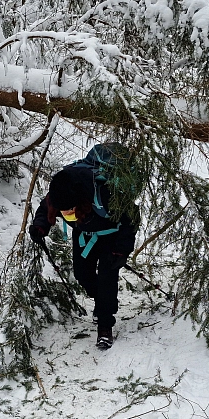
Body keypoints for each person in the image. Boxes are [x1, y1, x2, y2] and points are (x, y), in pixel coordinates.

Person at [29, 145, 139, 350]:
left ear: (81, 202)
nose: (66, 213)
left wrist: (122, 250)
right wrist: (40, 226)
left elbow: (130, 217)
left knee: (107, 279)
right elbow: (45, 208)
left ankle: (105, 326)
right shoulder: (59, 191)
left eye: (70, 210)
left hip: (111, 237)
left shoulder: (103, 193)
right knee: (82, 274)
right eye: (63, 211)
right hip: (84, 236)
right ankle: (103, 302)